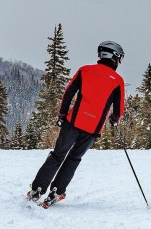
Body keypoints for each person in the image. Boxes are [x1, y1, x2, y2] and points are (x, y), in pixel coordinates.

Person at [27, 40, 125, 206]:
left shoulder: (85, 70)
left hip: (73, 122)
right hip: (92, 129)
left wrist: (62, 113)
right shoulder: (117, 81)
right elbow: (119, 109)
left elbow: (69, 92)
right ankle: (57, 191)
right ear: (115, 57)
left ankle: (37, 189)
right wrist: (114, 119)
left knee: (58, 154)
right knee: (74, 158)